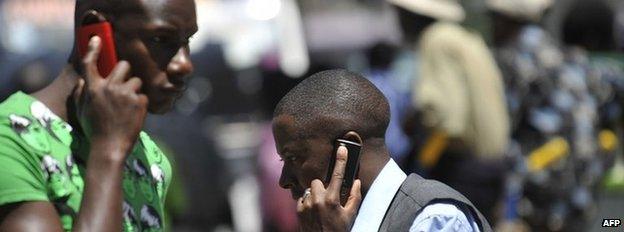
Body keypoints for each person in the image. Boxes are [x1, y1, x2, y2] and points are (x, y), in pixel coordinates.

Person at [0, 0, 197, 231]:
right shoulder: (11, 141)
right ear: (95, 31)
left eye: (188, 40)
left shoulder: (147, 155)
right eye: (161, 39)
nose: (184, 65)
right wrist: (108, 151)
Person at [272, 69, 492, 232]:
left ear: (346, 150)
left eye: (293, 157)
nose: (284, 181)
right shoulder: (337, 223)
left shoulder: (434, 219)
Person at [390, 0, 509, 222]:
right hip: (490, 168)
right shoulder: (466, 38)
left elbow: (445, 118)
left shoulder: (436, 39)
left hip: (462, 169)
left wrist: (415, 124)